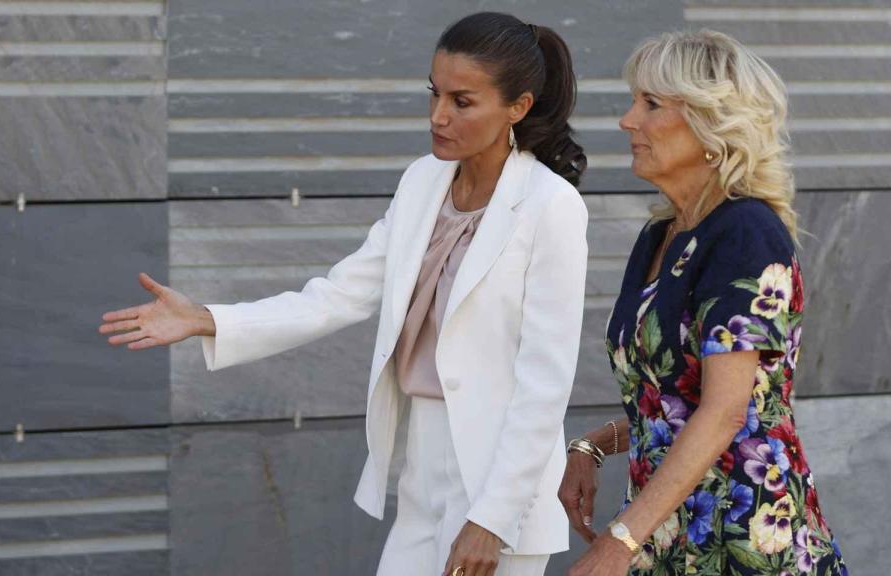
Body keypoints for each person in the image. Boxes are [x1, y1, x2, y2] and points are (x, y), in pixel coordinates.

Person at [101, 12, 588, 576]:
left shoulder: (549, 205)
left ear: (518, 108)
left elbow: (544, 383)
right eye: (434, 94)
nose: (438, 116)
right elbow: (338, 295)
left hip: (501, 482)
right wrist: (209, 319)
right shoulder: (421, 183)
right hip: (421, 466)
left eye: (462, 101)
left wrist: (494, 517)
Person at [559, 30, 849, 575]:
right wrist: (594, 444)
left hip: (739, 541)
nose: (628, 121)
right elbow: (673, 403)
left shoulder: (745, 232)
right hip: (667, 536)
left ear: (709, 123)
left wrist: (617, 543)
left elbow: (725, 411)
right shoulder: (663, 235)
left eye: (650, 104)